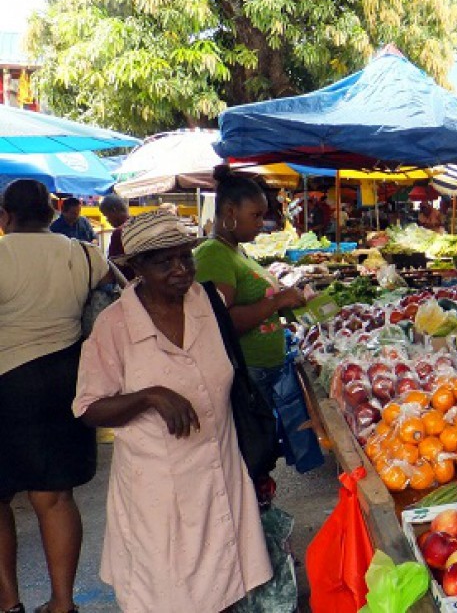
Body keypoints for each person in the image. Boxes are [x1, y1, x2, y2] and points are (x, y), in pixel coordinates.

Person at [73, 211, 271, 611]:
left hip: (220, 472)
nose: (181, 270)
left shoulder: (207, 302)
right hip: (157, 491)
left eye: (186, 257)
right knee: (166, 595)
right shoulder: (114, 325)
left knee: (226, 586)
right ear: (138, 267)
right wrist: (149, 396)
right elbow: (89, 409)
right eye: (165, 262)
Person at [0, 180, 111, 613]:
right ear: (52, 213)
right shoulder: (83, 253)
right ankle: (62, 603)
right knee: (55, 497)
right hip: (65, 381)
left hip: (6, 384)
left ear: (5, 216)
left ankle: (9, 603)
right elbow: (118, 291)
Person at [194, 166, 323, 475]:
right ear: (229, 211)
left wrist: (290, 304)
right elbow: (219, 321)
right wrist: (277, 301)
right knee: (252, 453)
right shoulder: (213, 253)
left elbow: (255, 305)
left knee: (264, 451)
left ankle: (260, 506)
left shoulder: (237, 252)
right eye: (255, 215)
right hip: (247, 373)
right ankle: (253, 512)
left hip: (265, 370)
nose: (261, 224)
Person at [98, 194, 130, 260]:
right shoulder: (138, 224)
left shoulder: (119, 233)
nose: (107, 220)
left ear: (114, 210)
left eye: (107, 215)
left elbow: (113, 266)